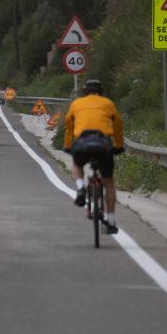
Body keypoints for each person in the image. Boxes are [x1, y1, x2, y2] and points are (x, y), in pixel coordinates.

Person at [63, 79, 124, 234]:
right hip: (103, 143)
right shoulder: (108, 103)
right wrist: (119, 145)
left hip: (82, 142)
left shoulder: (77, 104)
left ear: (85, 92)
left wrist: (68, 145)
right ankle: (110, 220)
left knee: (77, 165)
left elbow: (68, 124)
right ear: (100, 92)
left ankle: (81, 188)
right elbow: (118, 125)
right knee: (108, 182)